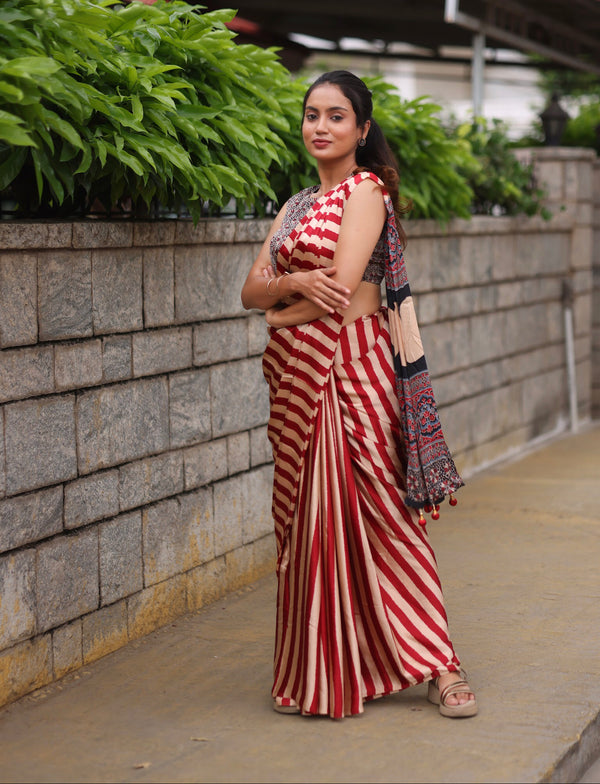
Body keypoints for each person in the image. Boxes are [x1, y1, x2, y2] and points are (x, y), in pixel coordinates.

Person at [241, 70, 477, 720]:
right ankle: (322, 665)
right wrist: (287, 294)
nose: (321, 126)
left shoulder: (365, 191)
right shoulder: (292, 206)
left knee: (381, 510)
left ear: (361, 129)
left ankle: (441, 663)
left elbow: (338, 291)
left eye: (336, 115)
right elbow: (248, 289)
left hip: (355, 371)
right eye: (312, 114)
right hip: (294, 382)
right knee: (309, 522)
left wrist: (281, 308)